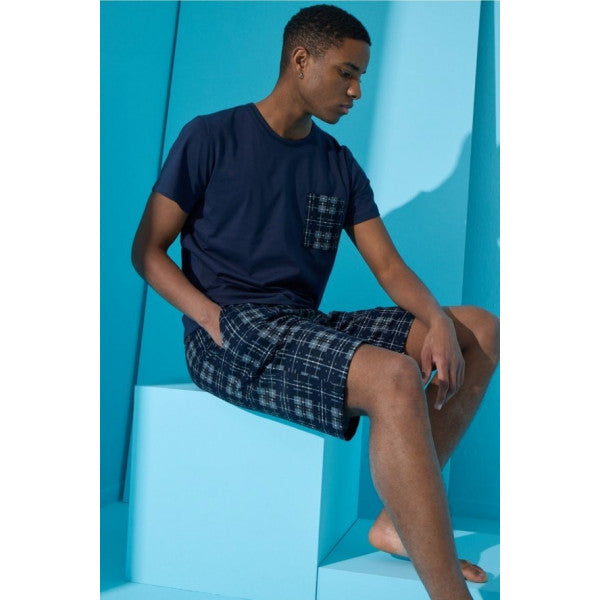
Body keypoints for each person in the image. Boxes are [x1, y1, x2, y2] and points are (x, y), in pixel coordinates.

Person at [131, 4, 499, 599]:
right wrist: (210, 318)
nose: (356, 92)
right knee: (395, 377)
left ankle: (395, 523)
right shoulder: (210, 136)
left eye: (362, 77)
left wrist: (435, 319)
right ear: (301, 60)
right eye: (346, 73)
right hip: (228, 331)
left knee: (479, 329)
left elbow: (388, 266)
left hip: (300, 325)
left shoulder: (338, 164)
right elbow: (147, 250)